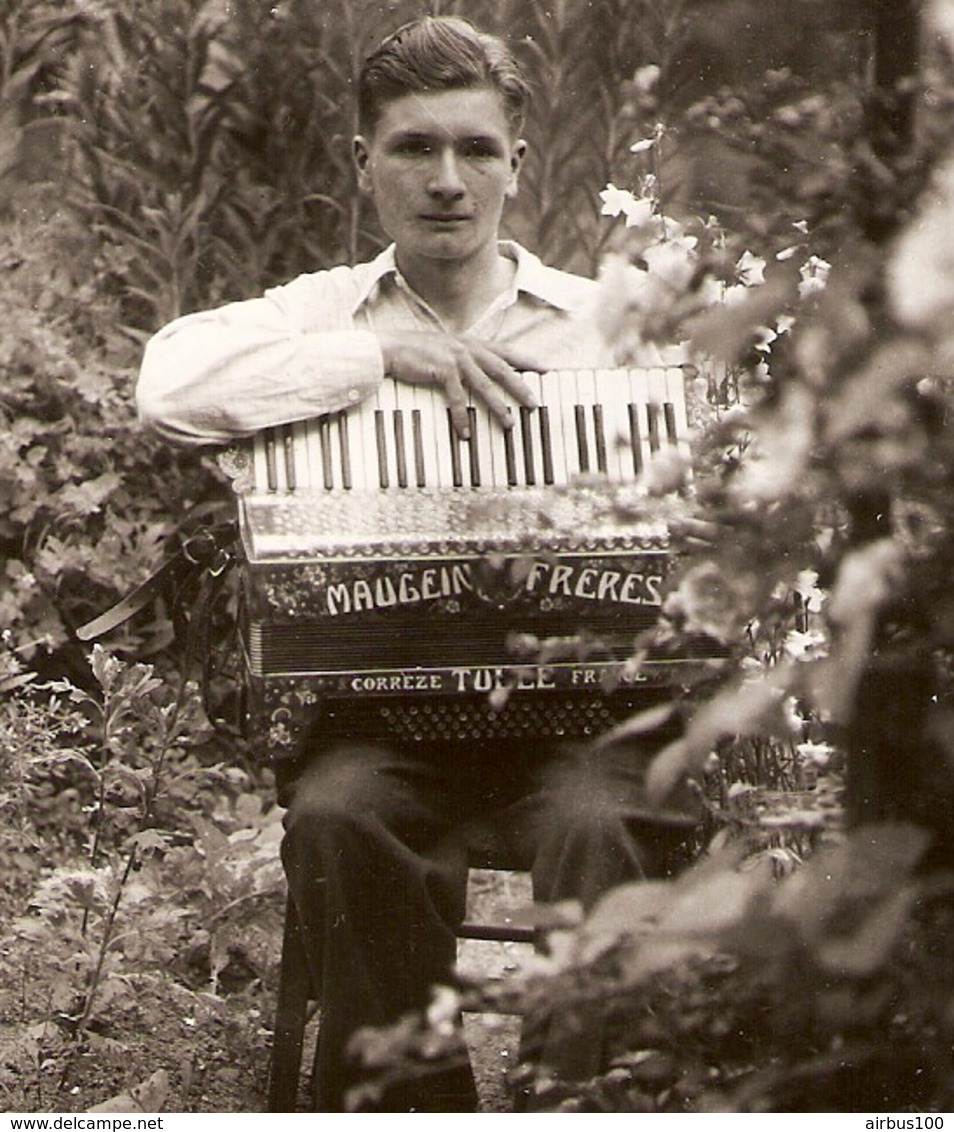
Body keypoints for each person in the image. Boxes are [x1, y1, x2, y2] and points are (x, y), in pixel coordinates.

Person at [137, 16, 699, 1112]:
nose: (448, 180)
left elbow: (715, 496)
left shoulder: (605, 327)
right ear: (362, 163)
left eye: (476, 149)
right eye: (412, 147)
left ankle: (580, 1104)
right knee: (340, 814)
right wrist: (378, 354)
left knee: (605, 826)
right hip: (383, 727)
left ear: (517, 165)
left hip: (581, 731)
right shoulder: (316, 316)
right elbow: (168, 387)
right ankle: (415, 1105)